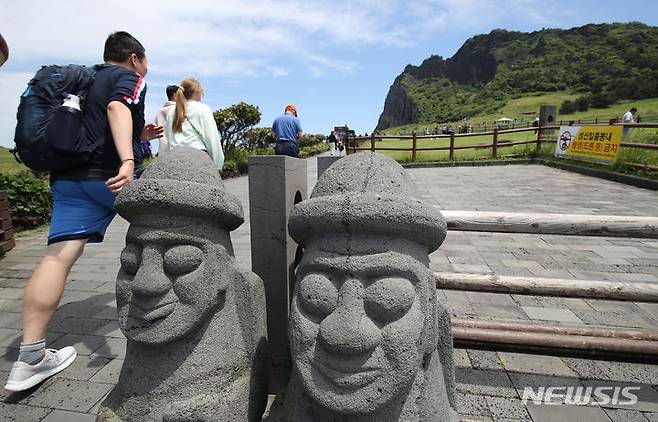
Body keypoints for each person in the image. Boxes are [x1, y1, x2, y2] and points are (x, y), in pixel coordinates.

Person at [4, 31, 163, 392]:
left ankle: (29, 358)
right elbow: (116, 108)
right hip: (109, 178)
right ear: (135, 58)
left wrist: (140, 136)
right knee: (166, 234)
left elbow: (92, 124)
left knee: (56, 260)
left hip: (68, 180)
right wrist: (127, 159)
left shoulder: (84, 79)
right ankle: (171, 326)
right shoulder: (128, 76)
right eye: (145, 61)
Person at [164, 78, 224, 170]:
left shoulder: (172, 112)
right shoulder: (203, 109)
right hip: (197, 160)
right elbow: (211, 138)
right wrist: (217, 165)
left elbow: (168, 139)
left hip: (174, 161)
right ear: (196, 91)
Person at [154, 84, 179, 154]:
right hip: (177, 150)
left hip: (163, 151)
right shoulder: (179, 110)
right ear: (175, 95)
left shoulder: (159, 112)